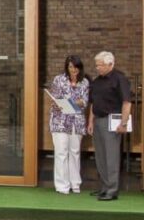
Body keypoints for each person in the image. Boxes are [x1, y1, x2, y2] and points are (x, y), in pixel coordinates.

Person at [86, 51, 132, 201]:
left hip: (112, 121)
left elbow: (126, 102)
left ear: (110, 64)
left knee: (111, 156)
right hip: (98, 120)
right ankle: (105, 187)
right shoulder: (97, 81)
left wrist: (123, 123)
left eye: (100, 65)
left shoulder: (120, 79)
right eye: (97, 65)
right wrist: (90, 121)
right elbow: (93, 103)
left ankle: (112, 190)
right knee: (100, 157)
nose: (97, 68)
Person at [46, 55, 89, 195]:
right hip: (60, 122)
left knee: (75, 152)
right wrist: (74, 103)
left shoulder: (85, 82)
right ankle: (62, 185)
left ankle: (75, 184)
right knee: (61, 153)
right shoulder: (59, 80)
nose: (73, 69)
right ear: (67, 67)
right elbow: (56, 101)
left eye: (76, 67)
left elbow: (84, 102)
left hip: (77, 122)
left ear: (80, 67)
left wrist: (69, 103)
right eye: (70, 67)